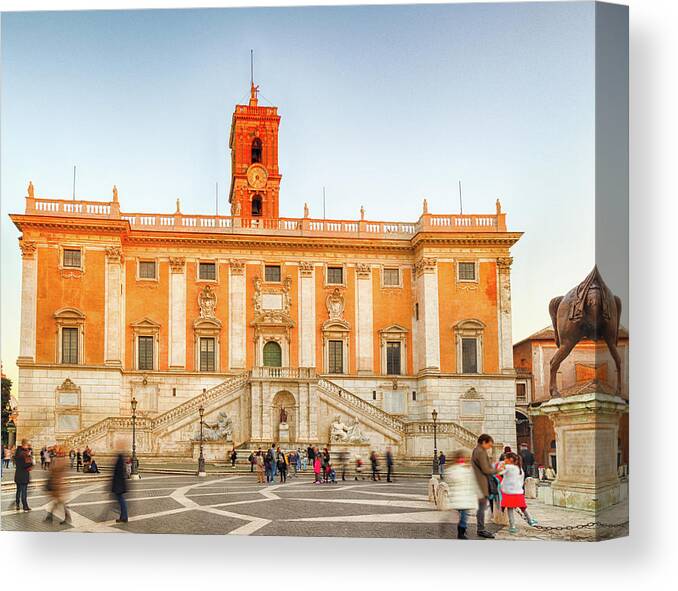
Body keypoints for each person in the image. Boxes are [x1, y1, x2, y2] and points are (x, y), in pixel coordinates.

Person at [444, 449, 482, 539]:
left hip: (463, 497)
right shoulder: (458, 469)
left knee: (463, 514)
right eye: (462, 458)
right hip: (461, 497)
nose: (463, 459)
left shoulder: (464, 469)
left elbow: (473, 482)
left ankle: (461, 530)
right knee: (464, 515)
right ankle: (461, 532)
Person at [499, 452, 538, 533]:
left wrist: (501, 465)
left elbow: (500, 472)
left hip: (509, 492)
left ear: (510, 459)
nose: (504, 460)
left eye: (505, 458)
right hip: (518, 492)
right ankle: (530, 520)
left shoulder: (508, 467)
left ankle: (512, 526)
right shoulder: (519, 469)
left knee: (510, 509)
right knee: (523, 507)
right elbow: (521, 481)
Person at [472, 433, 499, 539]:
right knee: (481, 508)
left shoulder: (477, 450)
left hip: (479, 482)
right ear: (484, 442)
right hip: (482, 483)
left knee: (481, 507)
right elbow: (486, 469)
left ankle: (481, 528)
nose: (490, 447)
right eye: (489, 445)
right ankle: (481, 529)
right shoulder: (480, 451)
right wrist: (498, 470)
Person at [44, 454, 71, 525]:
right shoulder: (61, 460)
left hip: (58, 485)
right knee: (57, 502)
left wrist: (52, 466)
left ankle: (67, 518)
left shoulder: (61, 461)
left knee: (59, 502)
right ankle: (49, 517)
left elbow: (54, 470)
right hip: (57, 485)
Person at [13, 439, 33, 511]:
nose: (28, 447)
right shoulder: (24, 454)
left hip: (18, 474)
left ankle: (17, 505)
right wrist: (31, 463)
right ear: (25, 445)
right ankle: (25, 506)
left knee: (18, 490)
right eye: (28, 445)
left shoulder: (17, 452)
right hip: (23, 475)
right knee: (24, 491)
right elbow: (25, 465)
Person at [111, 443, 128, 523]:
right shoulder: (120, 458)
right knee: (120, 501)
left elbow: (118, 473)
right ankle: (123, 516)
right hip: (119, 484)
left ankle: (124, 517)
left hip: (119, 485)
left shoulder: (120, 459)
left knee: (121, 501)